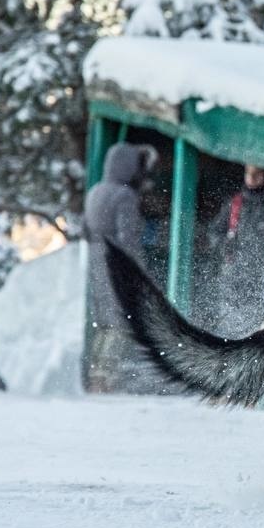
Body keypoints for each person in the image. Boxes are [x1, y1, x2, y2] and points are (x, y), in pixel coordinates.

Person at [82, 141, 158, 392]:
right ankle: (106, 378)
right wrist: (140, 272)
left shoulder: (95, 191)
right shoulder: (124, 196)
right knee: (121, 322)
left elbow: (85, 230)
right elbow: (129, 239)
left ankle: (94, 374)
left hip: (96, 261)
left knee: (105, 321)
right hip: (116, 263)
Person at [209, 164, 264, 336]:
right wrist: (225, 245)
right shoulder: (235, 203)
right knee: (230, 320)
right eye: (248, 173)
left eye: (257, 174)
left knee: (262, 320)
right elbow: (214, 232)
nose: (252, 178)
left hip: (263, 273)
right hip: (233, 272)